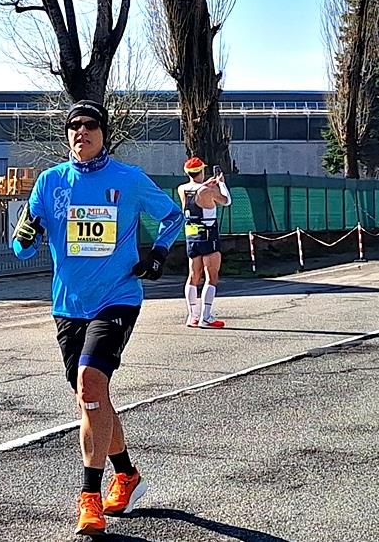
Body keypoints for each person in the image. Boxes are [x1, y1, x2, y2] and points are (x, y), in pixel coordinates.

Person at [12, 99, 185, 537]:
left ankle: (89, 498)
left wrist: (158, 254)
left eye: (90, 125)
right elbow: (21, 248)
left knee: (90, 382)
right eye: (74, 126)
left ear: (104, 133)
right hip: (68, 305)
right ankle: (127, 474)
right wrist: (26, 235)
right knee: (92, 398)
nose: (81, 132)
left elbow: (173, 216)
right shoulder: (50, 182)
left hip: (118, 297)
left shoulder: (128, 179)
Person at [176, 157, 231, 328]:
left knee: (193, 275)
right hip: (208, 234)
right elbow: (226, 201)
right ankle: (206, 317)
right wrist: (221, 184)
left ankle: (192, 316)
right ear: (201, 171)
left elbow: (196, 190)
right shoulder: (208, 190)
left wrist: (206, 184)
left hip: (191, 234)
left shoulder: (182, 189)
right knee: (211, 275)